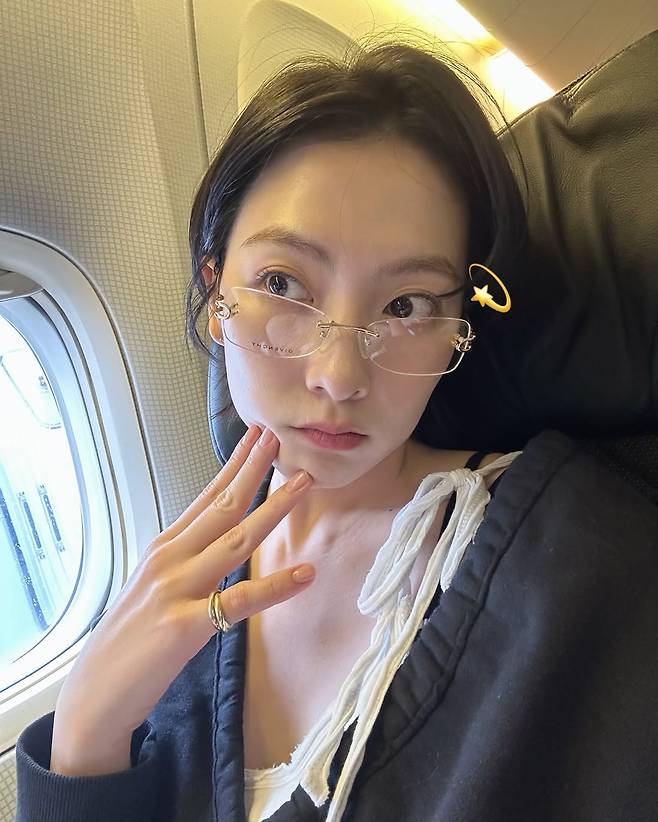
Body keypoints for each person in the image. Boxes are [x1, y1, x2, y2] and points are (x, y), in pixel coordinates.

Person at [15, 37, 529, 821]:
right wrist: (85, 731)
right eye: (283, 283)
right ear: (215, 299)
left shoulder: (552, 551)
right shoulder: (186, 582)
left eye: (406, 305)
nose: (339, 376)